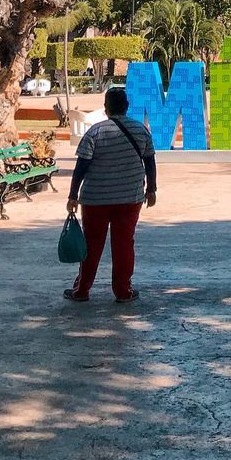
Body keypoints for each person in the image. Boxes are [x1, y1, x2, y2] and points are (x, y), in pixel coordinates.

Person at [64, 86, 156, 302]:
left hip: (95, 199)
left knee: (92, 245)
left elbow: (81, 167)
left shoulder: (95, 132)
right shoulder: (141, 131)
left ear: (106, 108)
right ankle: (123, 291)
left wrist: (72, 196)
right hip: (130, 198)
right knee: (124, 244)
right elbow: (150, 161)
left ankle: (82, 290)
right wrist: (151, 189)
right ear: (127, 107)